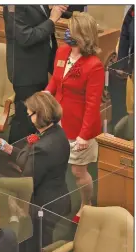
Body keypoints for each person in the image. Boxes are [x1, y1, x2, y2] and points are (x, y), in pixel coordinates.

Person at [0, 91, 71, 252]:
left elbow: (27, 182)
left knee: (37, 250)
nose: (29, 118)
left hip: (43, 205)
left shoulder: (43, 146)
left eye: (30, 114)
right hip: (54, 196)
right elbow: (32, 161)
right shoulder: (56, 132)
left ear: (40, 114)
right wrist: (7, 148)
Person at [45, 12, 105, 222]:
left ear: (83, 35)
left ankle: (86, 203)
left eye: (71, 30)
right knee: (56, 166)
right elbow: (56, 80)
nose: (66, 33)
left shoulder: (94, 65)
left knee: (79, 173)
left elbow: (92, 104)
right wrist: (46, 94)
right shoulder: (62, 52)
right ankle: (60, 202)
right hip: (58, 120)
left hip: (80, 127)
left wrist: (83, 135)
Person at [3, 5, 70, 144]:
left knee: (37, 118)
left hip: (41, 67)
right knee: (25, 120)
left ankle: (33, 156)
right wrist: (52, 20)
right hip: (26, 72)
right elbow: (25, 37)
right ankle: (15, 157)